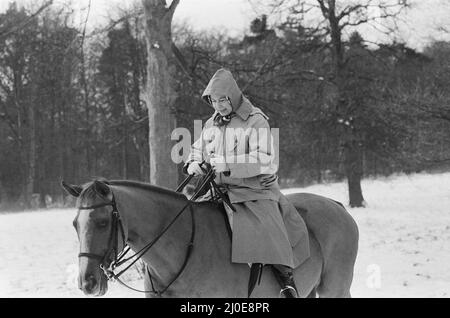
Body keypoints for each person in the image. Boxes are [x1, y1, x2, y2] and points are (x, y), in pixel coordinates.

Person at [183, 68, 309, 298]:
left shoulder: (256, 120)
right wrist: (193, 162)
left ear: (233, 96)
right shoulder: (213, 123)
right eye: (213, 101)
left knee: (265, 227)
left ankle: (285, 281)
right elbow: (196, 149)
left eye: (223, 99)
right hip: (219, 190)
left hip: (253, 190)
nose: (219, 106)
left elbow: (265, 159)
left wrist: (228, 163)